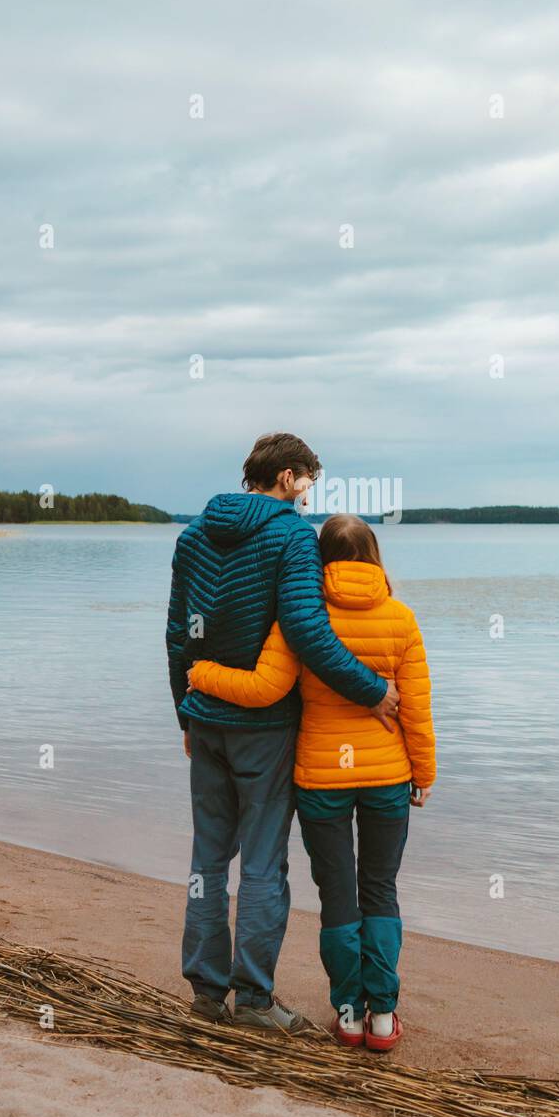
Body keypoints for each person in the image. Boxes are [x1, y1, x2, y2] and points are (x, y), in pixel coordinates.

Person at [166, 435, 399, 1034]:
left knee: (207, 859)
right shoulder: (294, 536)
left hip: (206, 718)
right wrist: (373, 691)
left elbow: (178, 635)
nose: (309, 493)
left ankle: (205, 993)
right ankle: (253, 999)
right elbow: (306, 630)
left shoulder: (193, 535)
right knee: (264, 865)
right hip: (264, 728)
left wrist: (185, 715)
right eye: (309, 481)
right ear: (289, 477)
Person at [187, 513, 435, 1051]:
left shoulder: (302, 617)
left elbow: (264, 687)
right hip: (388, 778)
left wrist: (201, 673)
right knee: (380, 890)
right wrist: (424, 771)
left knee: (338, 895)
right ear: (375, 556)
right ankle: (383, 1018)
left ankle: (348, 1015)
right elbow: (416, 709)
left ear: (320, 560)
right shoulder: (402, 619)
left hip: (322, 780)